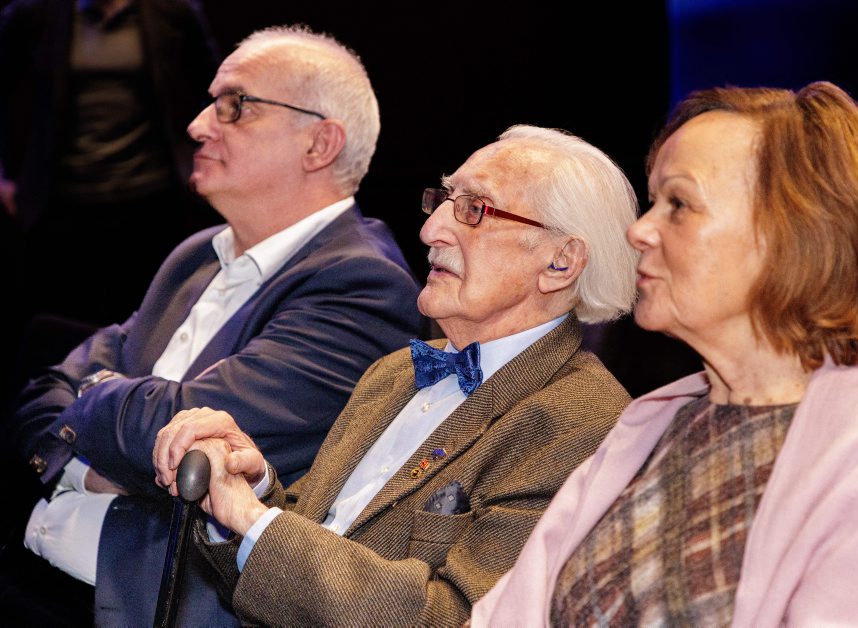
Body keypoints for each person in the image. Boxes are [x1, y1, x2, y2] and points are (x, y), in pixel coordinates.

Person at [472, 82, 858, 626]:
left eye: (678, 204)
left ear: (793, 234)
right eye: (653, 202)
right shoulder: (653, 422)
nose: (638, 230)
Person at [2, 25, 423, 626]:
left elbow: (184, 438)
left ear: (319, 144)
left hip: (129, 607)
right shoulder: (198, 253)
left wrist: (88, 404)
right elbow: (45, 388)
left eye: (234, 105)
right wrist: (95, 461)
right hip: (28, 565)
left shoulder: (363, 286)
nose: (198, 125)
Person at [152, 124, 638, 626]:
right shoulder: (395, 371)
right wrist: (249, 487)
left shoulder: (586, 425)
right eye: (444, 200)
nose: (431, 231)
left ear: (561, 262)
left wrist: (253, 519)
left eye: (475, 209)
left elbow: (456, 618)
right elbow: (323, 538)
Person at [0, 0, 220, 410]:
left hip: (151, 198)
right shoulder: (36, 13)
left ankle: (134, 415)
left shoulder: (171, 12)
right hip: (62, 202)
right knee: (59, 328)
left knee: (143, 326)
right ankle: (54, 419)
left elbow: (213, 90)